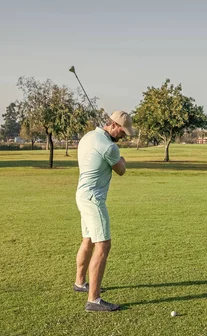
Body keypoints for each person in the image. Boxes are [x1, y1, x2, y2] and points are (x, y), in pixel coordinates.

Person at [73, 110, 133, 312]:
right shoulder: (109, 147)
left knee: (88, 240)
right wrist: (121, 157)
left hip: (82, 195)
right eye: (123, 131)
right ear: (114, 125)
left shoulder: (88, 137)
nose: (124, 135)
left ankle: (80, 283)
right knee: (104, 245)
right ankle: (94, 300)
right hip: (94, 200)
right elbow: (121, 170)